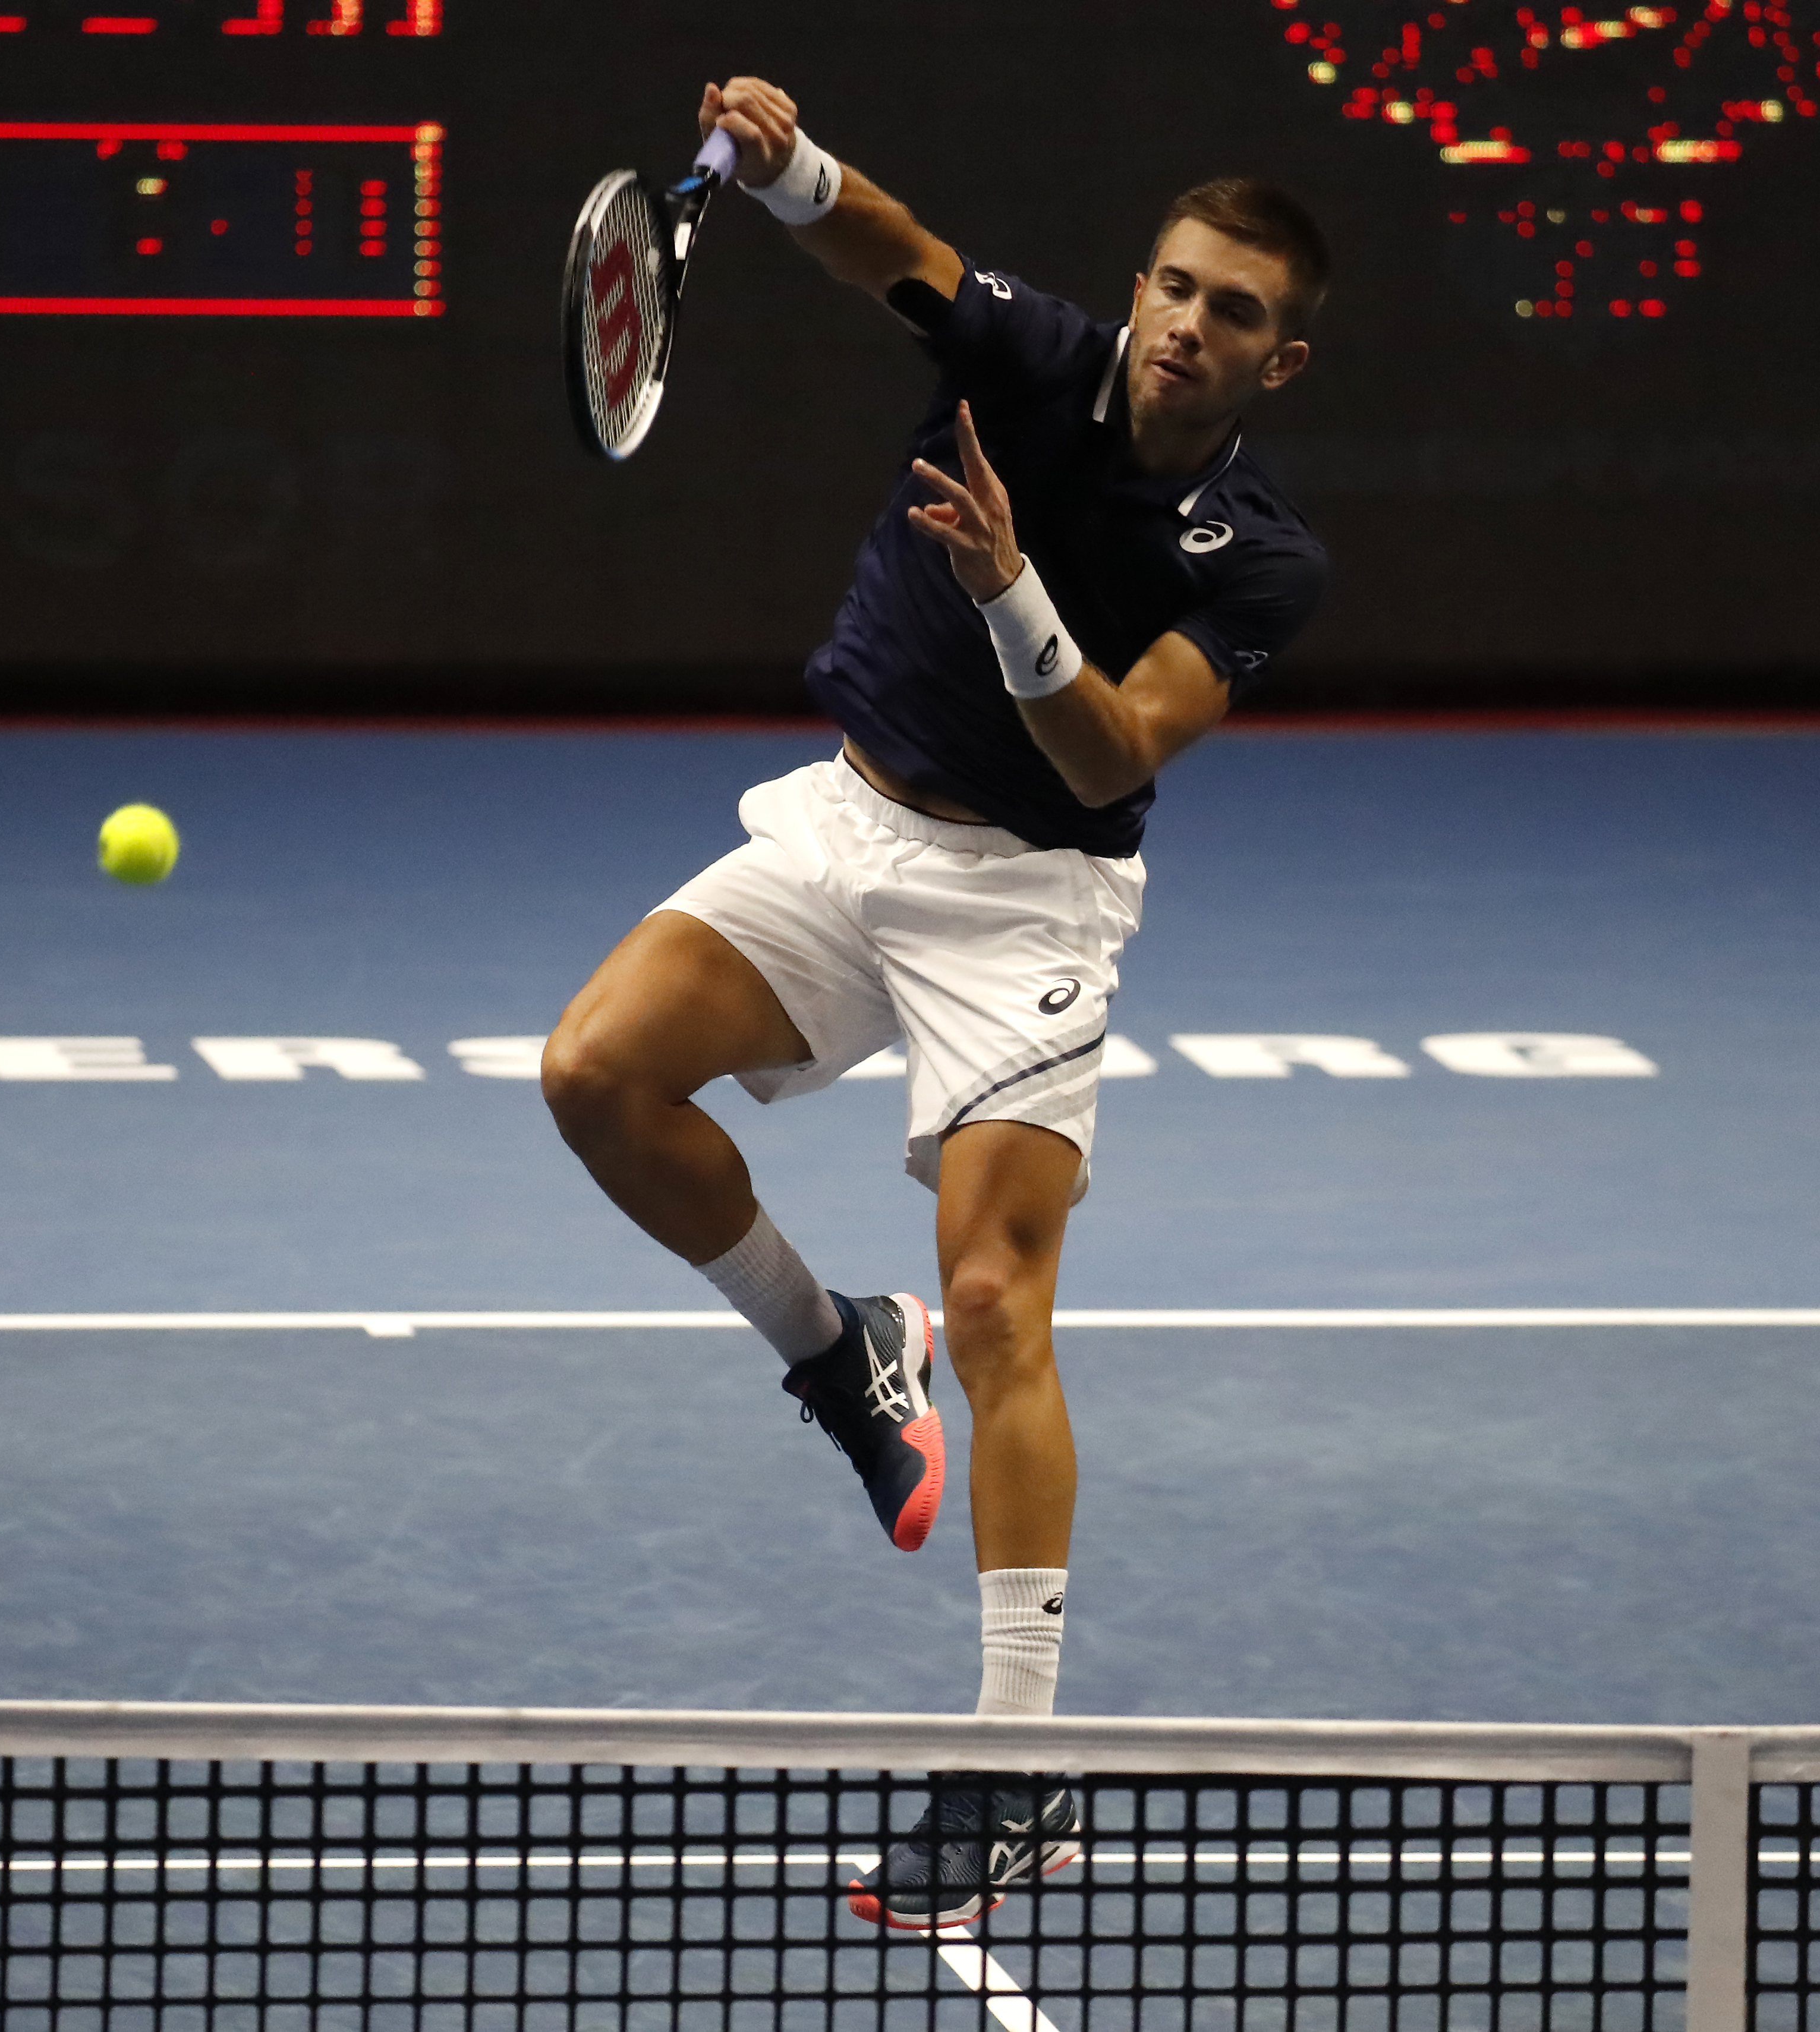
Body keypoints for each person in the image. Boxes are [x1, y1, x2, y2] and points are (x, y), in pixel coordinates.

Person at [540, 75, 1331, 1927]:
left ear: (1278, 363)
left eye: (1235, 313)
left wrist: (1010, 589)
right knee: (594, 1075)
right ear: (1139, 290)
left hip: (1027, 898)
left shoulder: (1266, 554)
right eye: (1177, 286)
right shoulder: (1036, 357)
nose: (1188, 325)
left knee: (1000, 1301)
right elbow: (886, 249)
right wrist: (783, 153)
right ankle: (833, 1350)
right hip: (845, 829)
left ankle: (1022, 1775)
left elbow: (1114, 738)